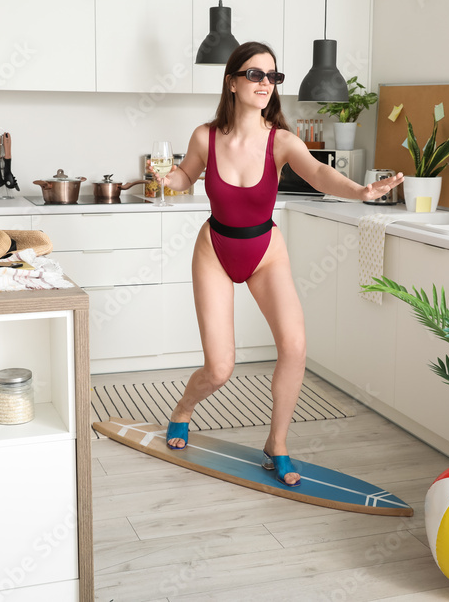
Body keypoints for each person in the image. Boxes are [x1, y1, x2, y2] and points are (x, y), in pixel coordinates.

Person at [151, 41, 403, 487]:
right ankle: (184, 409)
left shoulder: (282, 141)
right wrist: (164, 178)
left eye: (272, 76)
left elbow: (320, 175)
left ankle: (278, 444)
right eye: (255, 74)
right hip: (216, 248)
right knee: (220, 369)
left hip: (265, 250)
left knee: (294, 346)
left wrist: (361, 192)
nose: (265, 83)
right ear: (232, 81)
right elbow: (184, 176)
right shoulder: (204, 137)